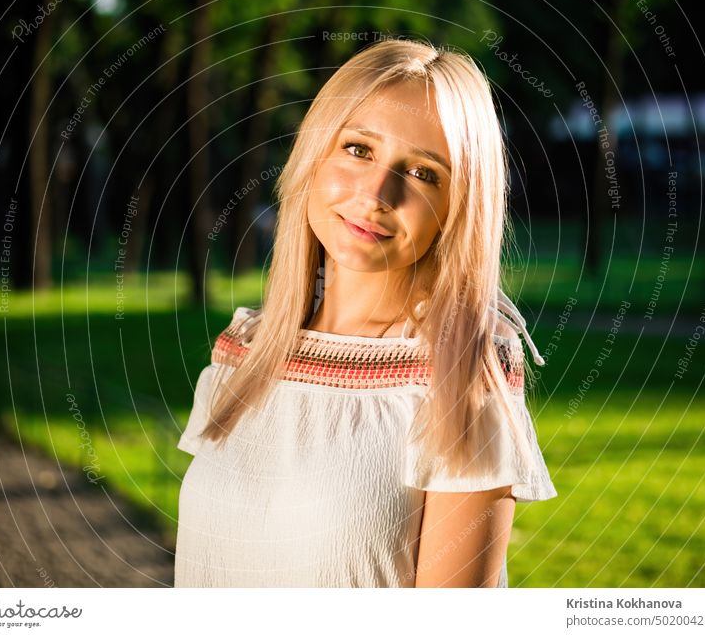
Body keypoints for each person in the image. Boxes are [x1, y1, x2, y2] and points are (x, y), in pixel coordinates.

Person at [174, 38, 557, 588]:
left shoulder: (464, 376)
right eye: (358, 149)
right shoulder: (244, 350)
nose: (378, 192)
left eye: (424, 173)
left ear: (459, 208)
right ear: (315, 152)